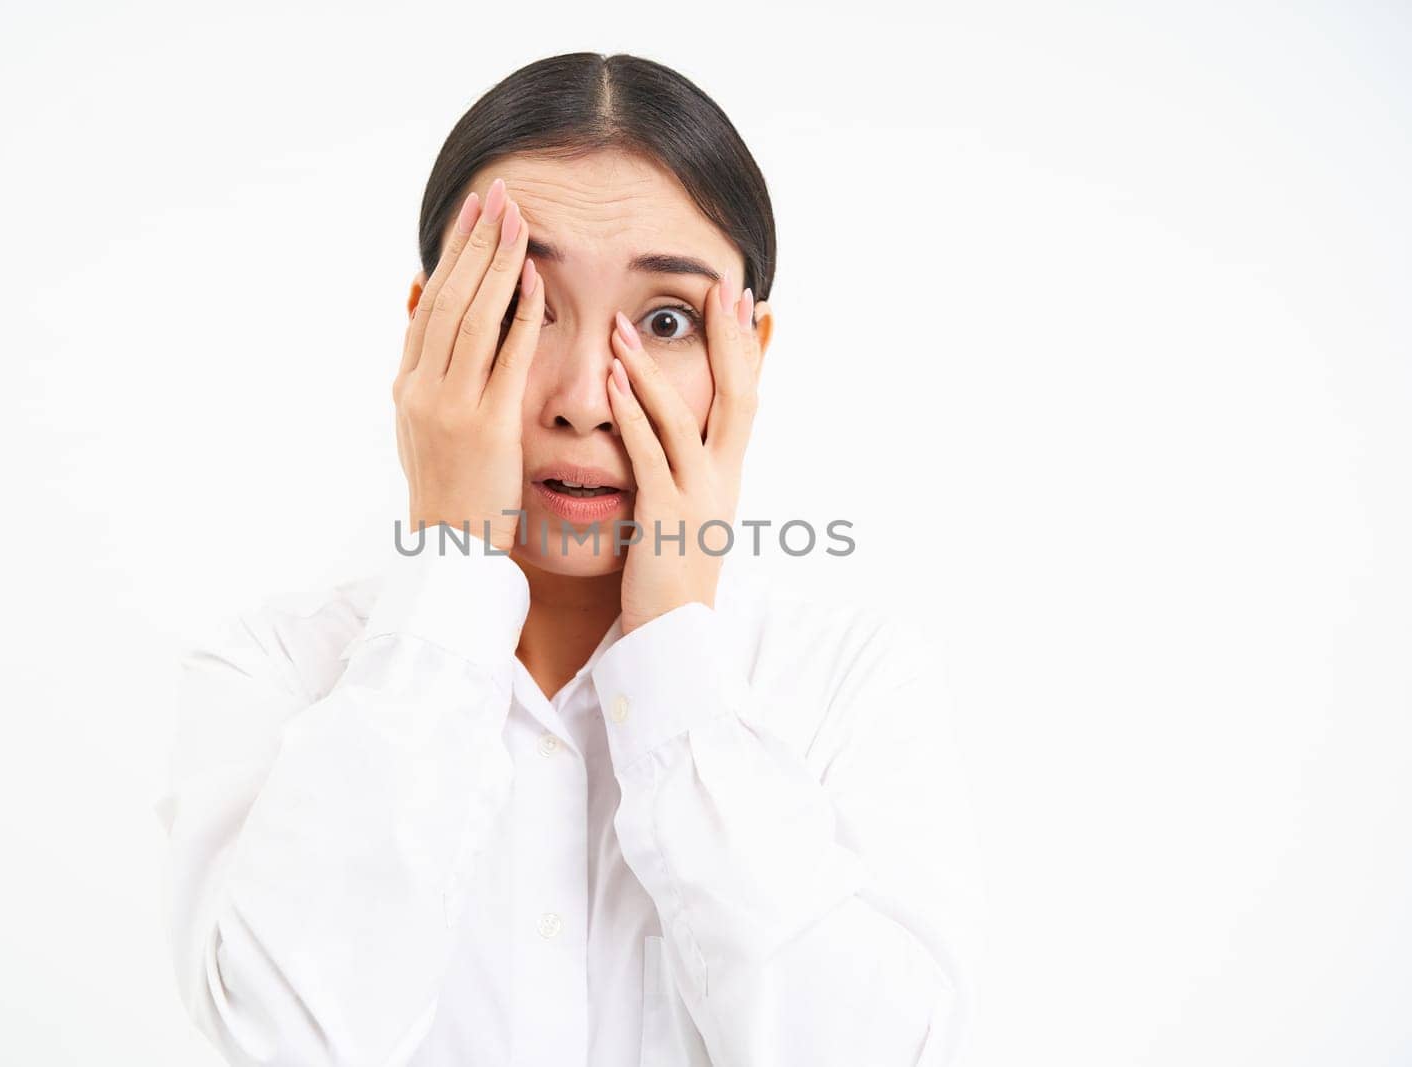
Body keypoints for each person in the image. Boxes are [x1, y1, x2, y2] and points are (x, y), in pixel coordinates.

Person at [155, 52, 986, 1067]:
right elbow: (288, 1037)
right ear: (426, 335)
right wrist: (451, 564)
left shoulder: (846, 686)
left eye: (666, 320)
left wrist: (677, 661)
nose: (584, 398)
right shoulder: (276, 668)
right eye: (515, 308)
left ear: (748, 353)